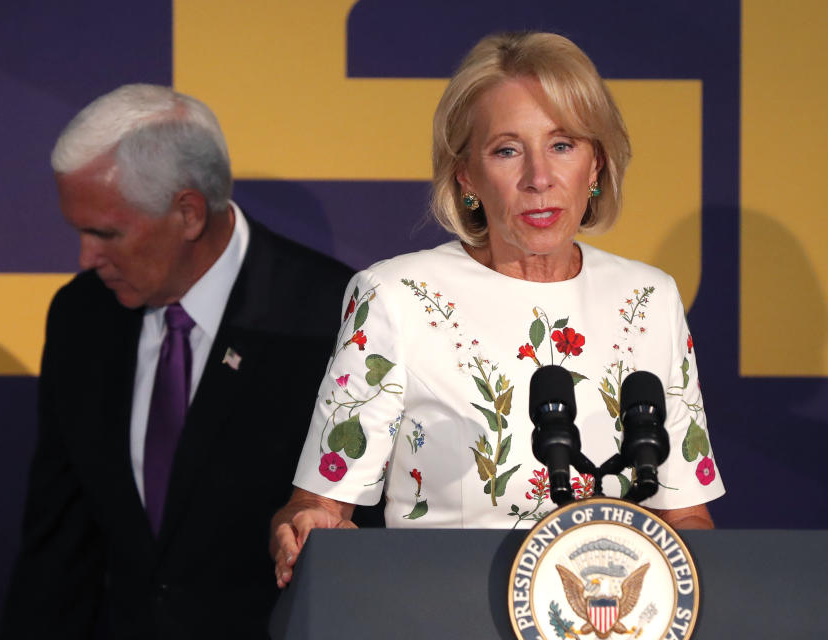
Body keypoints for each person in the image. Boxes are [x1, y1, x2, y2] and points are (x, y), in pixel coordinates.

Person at [271, 32, 725, 587]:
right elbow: (317, 509)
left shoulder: (651, 299)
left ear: (597, 164)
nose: (539, 178)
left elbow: (685, 516)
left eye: (563, 145)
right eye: (507, 150)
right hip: (440, 614)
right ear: (467, 176)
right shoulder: (395, 297)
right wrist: (306, 527)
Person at [0, 84, 356, 638]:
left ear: (188, 213)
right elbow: (60, 545)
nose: (85, 258)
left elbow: (364, 551)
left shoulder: (332, 317)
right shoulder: (80, 316)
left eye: (105, 233)